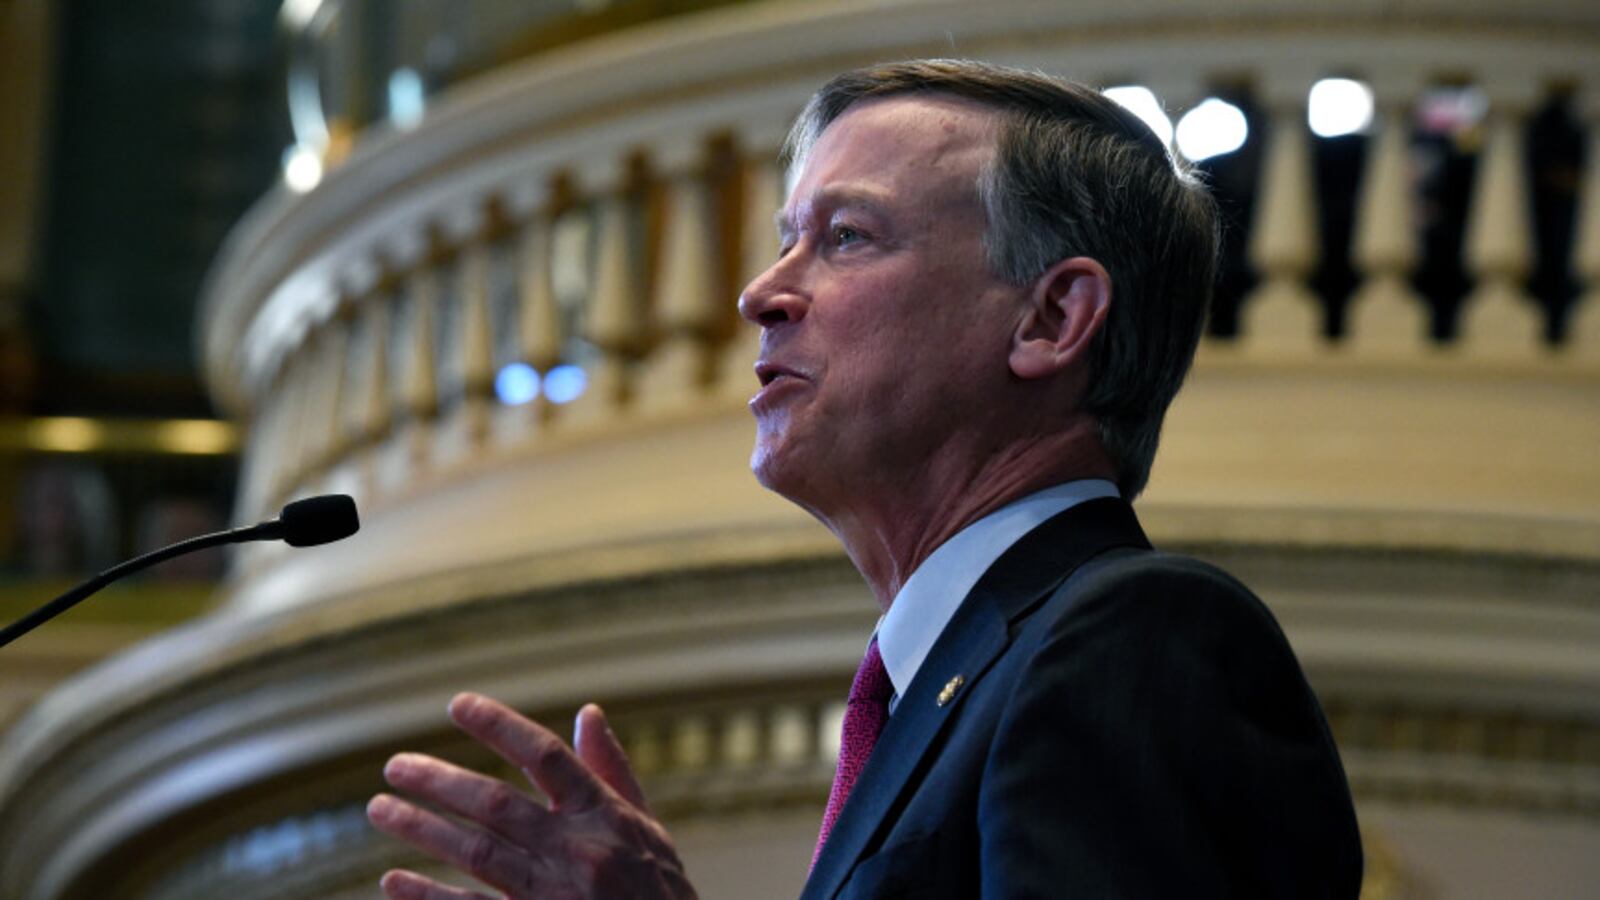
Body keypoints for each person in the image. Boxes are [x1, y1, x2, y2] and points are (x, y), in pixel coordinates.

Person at [365, 59, 1364, 899]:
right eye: (787, 239)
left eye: (847, 237)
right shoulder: (952, 683)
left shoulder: (1134, 638)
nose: (763, 293)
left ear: (1050, 321)